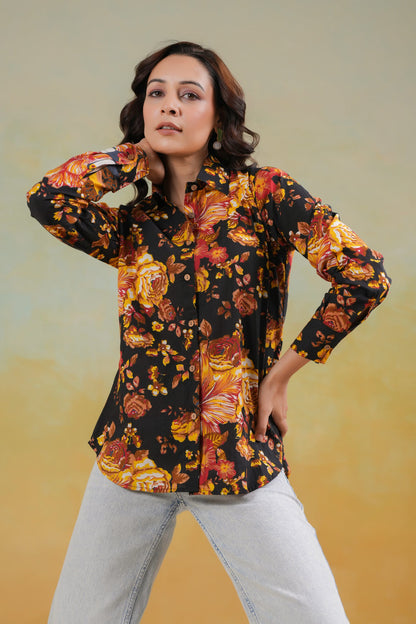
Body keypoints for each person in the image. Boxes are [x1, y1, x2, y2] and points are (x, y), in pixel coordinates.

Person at [27, 41, 390, 624]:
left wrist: (280, 376)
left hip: (237, 450)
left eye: (190, 95)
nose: (170, 106)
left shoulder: (265, 194)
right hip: (133, 452)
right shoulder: (133, 225)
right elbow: (48, 199)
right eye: (157, 94)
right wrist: (134, 160)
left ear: (219, 117)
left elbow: (365, 276)